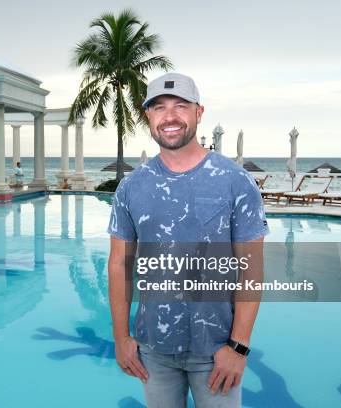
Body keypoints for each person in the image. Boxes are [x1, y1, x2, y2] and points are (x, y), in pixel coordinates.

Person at [107, 72, 268, 408]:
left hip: (217, 352)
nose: (170, 116)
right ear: (148, 115)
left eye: (181, 106)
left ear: (199, 112)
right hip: (153, 352)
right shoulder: (131, 187)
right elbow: (119, 265)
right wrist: (122, 338)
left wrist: (238, 347)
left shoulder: (236, 181)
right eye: (160, 107)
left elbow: (251, 271)